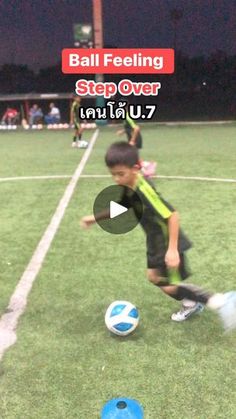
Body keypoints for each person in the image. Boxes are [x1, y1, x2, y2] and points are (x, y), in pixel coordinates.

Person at [80, 141, 236, 330]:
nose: (116, 179)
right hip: (154, 241)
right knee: (155, 277)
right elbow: (123, 205)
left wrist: (172, 250)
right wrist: (94, 218)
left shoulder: (144, 190)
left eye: (121, 174)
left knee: (169, 284)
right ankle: (196, 302)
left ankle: (218, 301)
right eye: (113, 174)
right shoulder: (131, 184)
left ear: (135, 168)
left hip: (166, 241)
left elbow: (172, 215)